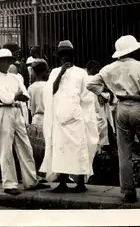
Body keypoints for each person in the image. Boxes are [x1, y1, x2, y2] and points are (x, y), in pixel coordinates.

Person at [86, 35, 140, 202]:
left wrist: (106, 93)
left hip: (121, 108)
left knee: (125, 152)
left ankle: (128, 191)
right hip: (139, 107)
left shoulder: (107, 69)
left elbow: (91, 84)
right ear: (134, 49)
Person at [40, 40, 99, 193]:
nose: (64, 58)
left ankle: (80, 183)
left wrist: (85, 117)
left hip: (76, 118)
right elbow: (50, 91)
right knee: (62, 150)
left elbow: (87, 97)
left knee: (78, 149)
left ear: (72, 56)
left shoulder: (81, 73)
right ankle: (63, 182)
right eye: (61, 55)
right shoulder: (54, 72)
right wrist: (61, 73)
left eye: (67, 55)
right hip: (59, 118)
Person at [0, 48, 49, 195]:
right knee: (6, 148)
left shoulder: (15, 77)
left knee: (25, 146)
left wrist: (15, 96)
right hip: (3, 111)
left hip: (17, 111)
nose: (6, 63)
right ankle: (9, 184)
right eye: (3, 61)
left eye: (8, 61)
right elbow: (6, 98)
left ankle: (31, 180)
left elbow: (25, 94)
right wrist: (15, 96)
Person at [26, 59, 49, 170]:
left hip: (36, 118)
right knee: (47, 146)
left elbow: (29, 107)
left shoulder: (31, 88)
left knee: (36, 147)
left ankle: (37, 170)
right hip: (47, 117)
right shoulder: (49, 86)